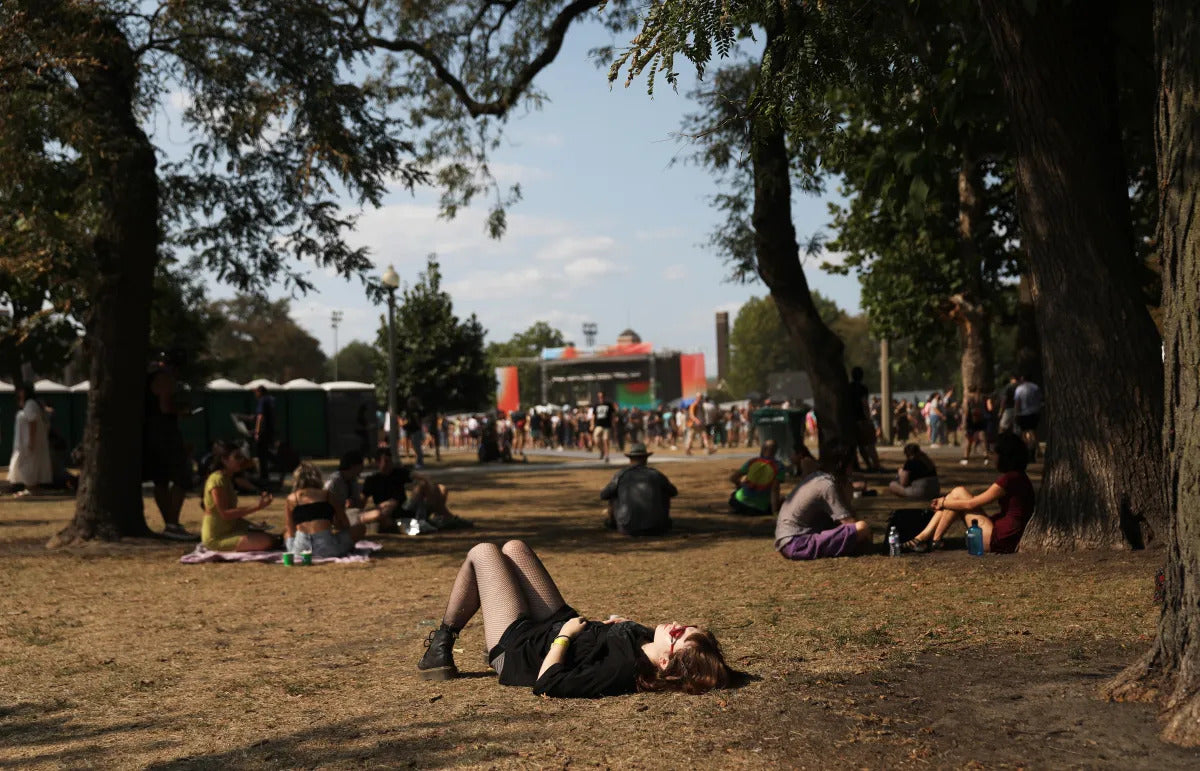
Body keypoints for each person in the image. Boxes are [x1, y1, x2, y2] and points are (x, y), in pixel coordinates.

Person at [416, 539, 732, 697]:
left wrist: (564, 636)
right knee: (514, 548)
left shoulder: (619, 671)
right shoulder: (648, 640)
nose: (676, 625)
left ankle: (442, 644)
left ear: (665, 663)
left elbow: (547, 684)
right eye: (686, 625)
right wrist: (613, 626)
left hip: (520, 649)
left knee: (483, 553)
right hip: (555, 623)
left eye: (679, 635)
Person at [902, 433, 1035, 553]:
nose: (992, 457)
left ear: (1005, 456)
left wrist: (943, 502)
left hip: (999, 539)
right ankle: (929, 539)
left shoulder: (1010, 480)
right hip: (1003, 533)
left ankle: (925, 539)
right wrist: (946, 502)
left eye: (994, 453)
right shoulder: (1018, 477)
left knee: (958, 493)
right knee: (956, 496)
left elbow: (971, 504)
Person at [774, 447, 873, 560]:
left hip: (788, 541)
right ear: (843, 465)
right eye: (851, 465)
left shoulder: (817, 477)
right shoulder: (827, 485)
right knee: (862, 527)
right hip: (798, 543)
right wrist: (848, 496)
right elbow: (849, 523)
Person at [143, 362, 196, 540]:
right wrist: (182, 411)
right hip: (165, 434)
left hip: (150, 434)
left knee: (161, 480)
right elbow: (165, 407)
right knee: (181, 477)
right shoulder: (164, 379)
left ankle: (170, 524)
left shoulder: (147, 379)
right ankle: (172, 523)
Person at [201, 442, 276, 552]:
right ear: (224, 459)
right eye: (237, 457)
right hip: (216, 538)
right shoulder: (217, 480)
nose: (241, 460)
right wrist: (257, 506)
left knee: (272, 538)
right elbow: (225, 514)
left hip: (230, 530)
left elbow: (233, 517)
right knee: (268, 541)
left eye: (241, 456)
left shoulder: (227, 478)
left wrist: (254, 526)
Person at [599, 442, 678, 536]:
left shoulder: (621, 475)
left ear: (630, 459)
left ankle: (613, 523)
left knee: (613, 494)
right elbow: (673, 492)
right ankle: (662, 520)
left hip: (627, 527)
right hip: (657, 527)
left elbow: (604, 495)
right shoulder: (656, 475)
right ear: (646, 459)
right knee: (664, 491)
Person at [285, 462, 359, 558]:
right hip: (327, 548)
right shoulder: (327, 495)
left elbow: (290, 529)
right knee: (360, 528)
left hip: (300, 550)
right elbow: (345, 523)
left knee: (286, 534)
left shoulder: (291, 498)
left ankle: (293, 551)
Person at [325, 450, 398, 534]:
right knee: (378, 514)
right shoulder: (334, 481)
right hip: (339, 517)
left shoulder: (353, 481)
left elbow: (359, 505)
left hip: (352, 512)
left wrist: (381, 505)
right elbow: (326, 505)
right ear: (353, 466)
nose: (363, 468)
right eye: (361, 465)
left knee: (387, 509)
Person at [8, 382, 52, 495]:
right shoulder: (28, 405)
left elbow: (33, 423)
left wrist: (31, 441)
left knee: (28, 465)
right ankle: (29, 488)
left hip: (28, 442)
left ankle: (31, 488)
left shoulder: (30, 404)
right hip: (23, 442)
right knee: (24, 464)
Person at [728, 440, 784, 516]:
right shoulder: (779, 466)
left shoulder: (752, 461)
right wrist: (774, 511)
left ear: (763, 449)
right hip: (760, 508)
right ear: (775, 451)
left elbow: (732, 478)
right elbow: (775, 489)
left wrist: (739, 484)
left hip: (739, 503)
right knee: (783, 500)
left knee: (734, 493)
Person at [847, 366, 881, 471]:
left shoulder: (847, 388)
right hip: (862, 419)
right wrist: (868, 418)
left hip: (850, 420)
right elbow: (864, 404)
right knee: (869, 444)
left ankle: (868, 465)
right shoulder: (862, 388)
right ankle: (875, 466)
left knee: (858, 446)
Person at [1013, 375, 1043, 461]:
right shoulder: (1036, 387)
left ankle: (1027, 450)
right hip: (1034, 412)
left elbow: (1017, 402)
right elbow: (1040, 399)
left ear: (1022, 379)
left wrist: (1016, 413)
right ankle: (1034, 450)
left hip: (1023, 413)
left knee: (1024, 433)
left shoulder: (1019, 389)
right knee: (1033, 432)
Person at [252, 385, 276, 486]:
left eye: (256, 392)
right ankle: (265, 476)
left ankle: (263, 477)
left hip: (263, 433)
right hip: (270, 432)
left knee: (261, 456)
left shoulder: (262, 401)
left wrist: (257, 432)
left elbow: (260, 417)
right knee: (265, 455)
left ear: (260, 392)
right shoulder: (270, 400)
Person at [590, 391, 616, 463]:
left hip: (607, 425)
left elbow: (613, 415)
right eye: (599, 396)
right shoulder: (596, 405)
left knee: (606, 439)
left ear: (604, 397)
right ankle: (602, 451)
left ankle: (607, 455)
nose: (601, 398)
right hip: (598, 425)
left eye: (602, 396)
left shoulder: (609, 405)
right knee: (596, 439)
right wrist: (592, 424)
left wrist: (613, 424)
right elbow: (593, 415)